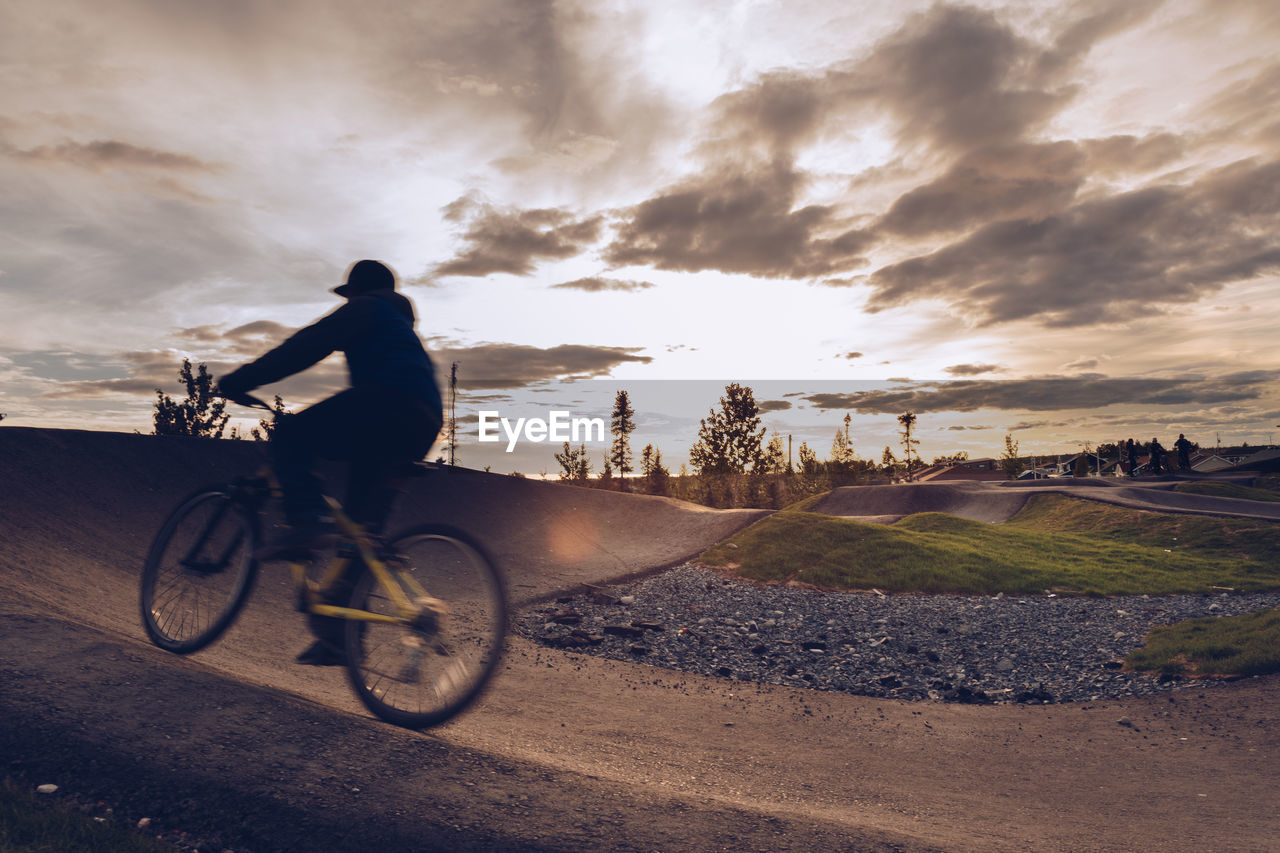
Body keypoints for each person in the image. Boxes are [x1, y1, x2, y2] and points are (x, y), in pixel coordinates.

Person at [216, 259, 443, 664]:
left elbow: (307, 345)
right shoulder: (402, 330)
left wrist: (242, 379)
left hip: (386, 403)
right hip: (422, 422)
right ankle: (341, 635)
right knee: (361, 532)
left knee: (291, 433)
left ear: (356, 291)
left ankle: (306, 520)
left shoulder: (367, 307)